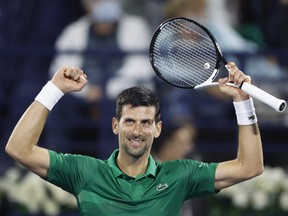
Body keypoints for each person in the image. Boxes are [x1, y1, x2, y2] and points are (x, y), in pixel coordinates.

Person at [5, 63, 264, 215]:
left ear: (158, 129)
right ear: (116, 125)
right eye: (130, 121)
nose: (137, 131)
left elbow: (249, 167)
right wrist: (54, 89)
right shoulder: (84, 171)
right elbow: (19, 148)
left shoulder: (180, 175)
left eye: (145, 123)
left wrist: (243, 102)